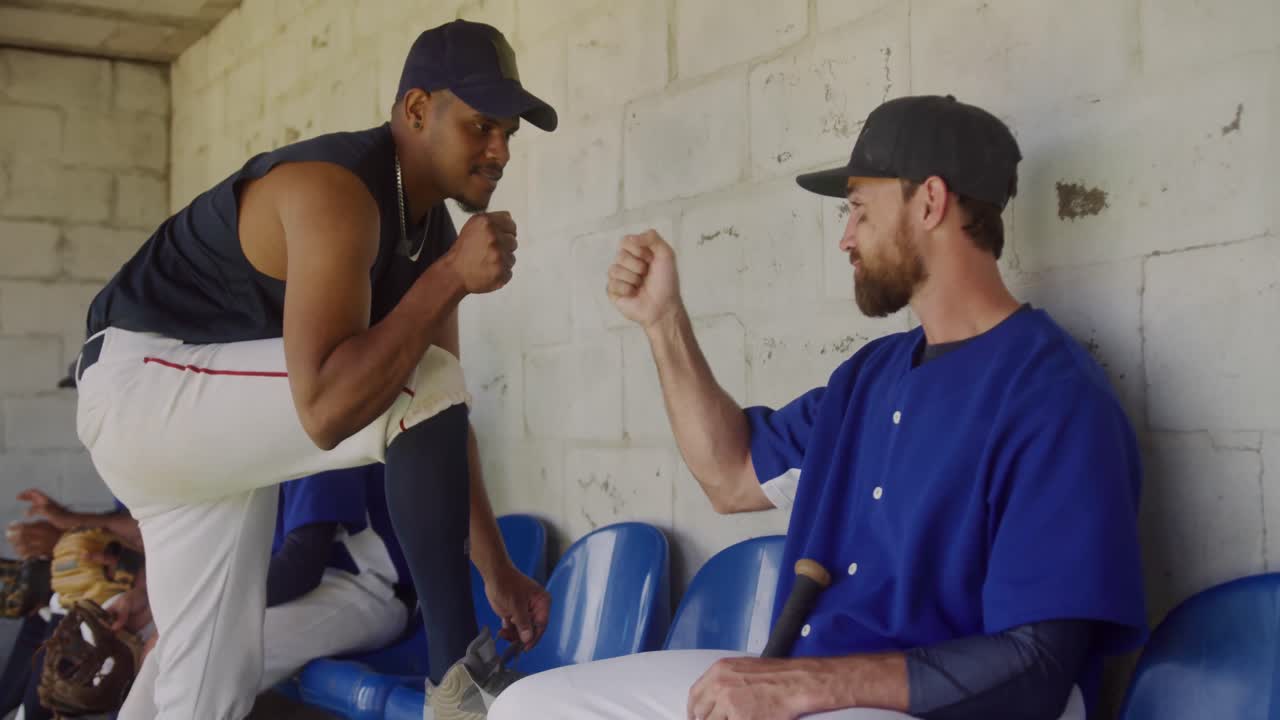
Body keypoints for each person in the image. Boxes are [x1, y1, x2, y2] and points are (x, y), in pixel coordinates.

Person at [490, 95, 1148, 720]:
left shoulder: (1054, 397)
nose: (846, 237)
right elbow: (731, 476)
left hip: (942, 709)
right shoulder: (870, 376)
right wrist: (664, 322)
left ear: (930, 202)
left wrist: (800, 685)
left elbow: (1036, 665)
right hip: (816, 686)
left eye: (860, 209)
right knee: (525, 707)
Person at [73, 19, 553, 720]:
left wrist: (497, 568)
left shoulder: (430, 234)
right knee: (417, 377)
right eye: (482, 126)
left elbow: (443, 418)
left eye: (509, 131)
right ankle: (457, 686)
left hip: (199, 442)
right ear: (418, 111)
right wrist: (449, 277)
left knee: (207, 692)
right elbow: (327, 411)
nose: (500, 150)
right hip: (145, 384)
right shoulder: (336, 190)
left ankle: (456, 678)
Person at [121, 464, 411, 715]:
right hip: (303, 585)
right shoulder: (241, 442)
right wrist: (155, 605)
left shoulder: (308, 427)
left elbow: (301, 566)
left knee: (208, 661)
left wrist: (195, 615)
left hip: (371, 589)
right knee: (174, 653)